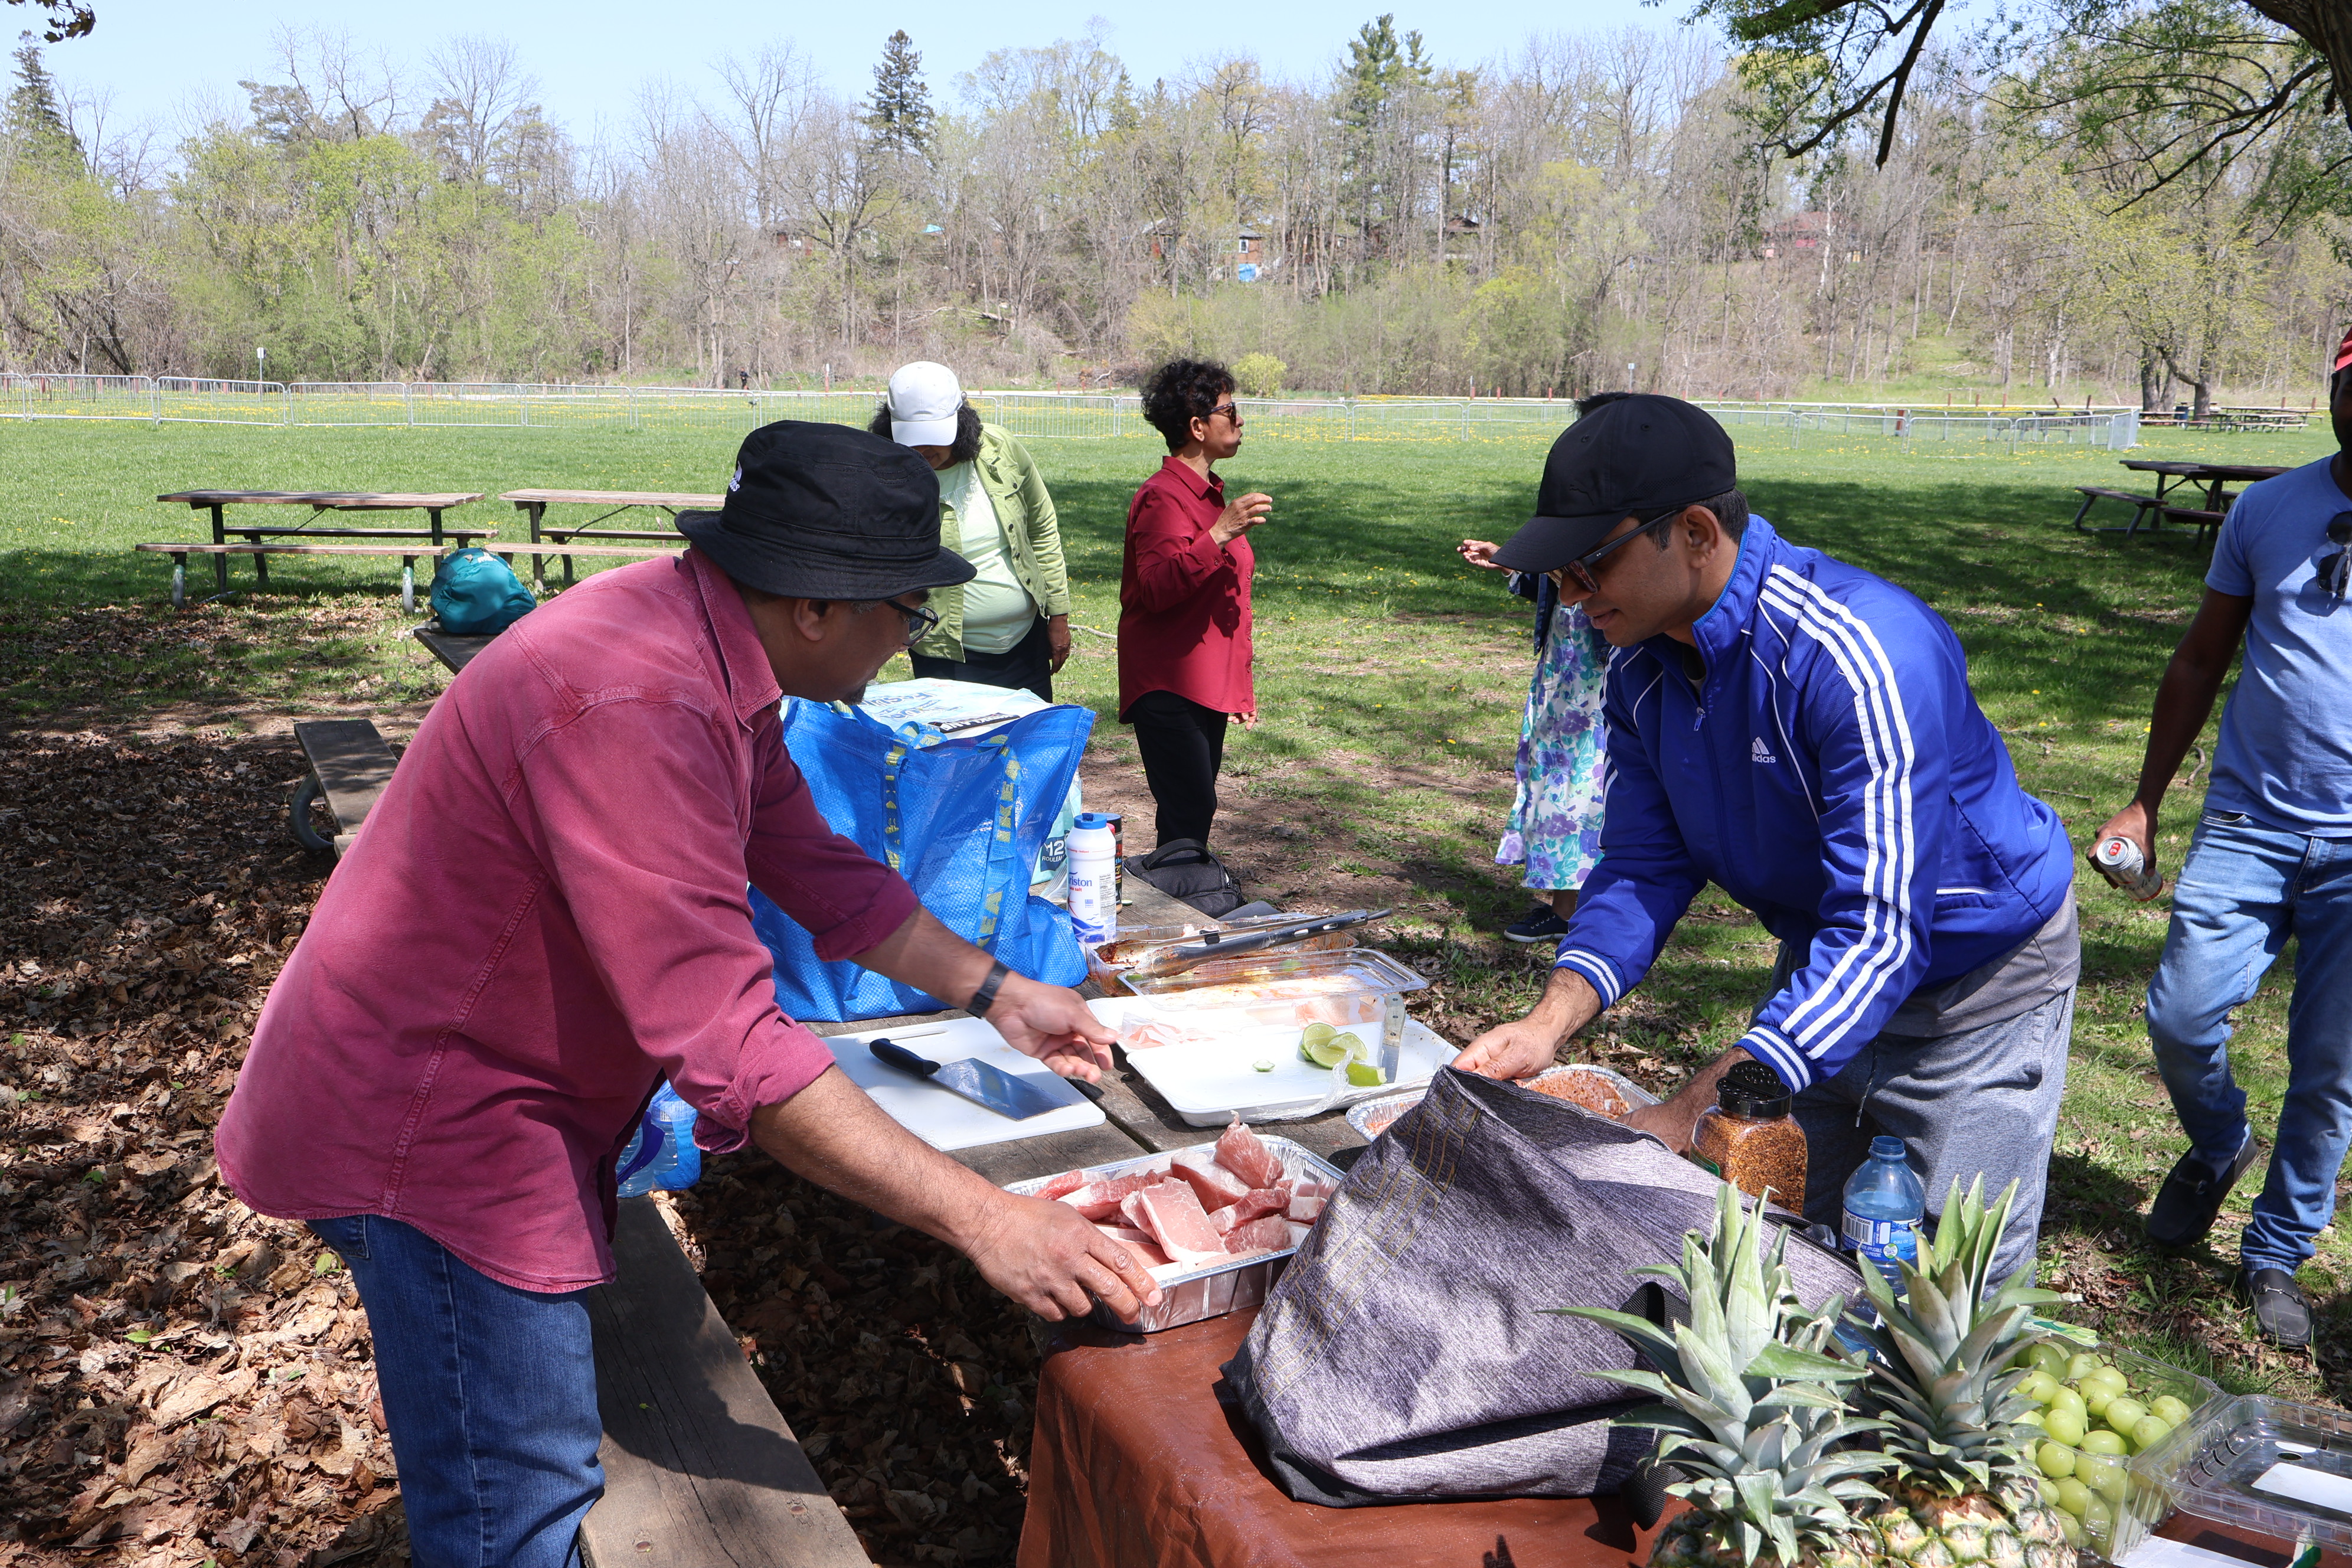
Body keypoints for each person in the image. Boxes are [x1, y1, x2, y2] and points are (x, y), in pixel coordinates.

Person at [213, 421, 1159, 1568]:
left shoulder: (709, 645)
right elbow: (728, 1045)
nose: (909, 640)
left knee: (522, 1470)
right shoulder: (637, 700)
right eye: (905, 610)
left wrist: (998, 987)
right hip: (427, 1125)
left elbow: (813, 864)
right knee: (514, 1495)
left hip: (496, 1088)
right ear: (816, 606)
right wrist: (987, 1215)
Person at [1453, 394, 2079, 1285]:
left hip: (1975, 993)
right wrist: (1548, 1024)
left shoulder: (1861, 656)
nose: (1569, 596)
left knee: (1940, 1292)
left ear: (1698, 531)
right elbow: (1641, 865)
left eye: (1589, 567)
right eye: (1558, 573)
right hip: (1825, 971)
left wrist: (1687, 1109)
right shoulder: (1639, 670)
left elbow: (1883, 932)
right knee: (1775, 1246)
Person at [2091, 325, 2352, 1348]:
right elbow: (2199, 661)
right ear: (2331, 392)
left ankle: (2277, 1249)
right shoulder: (2265, 509)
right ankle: (2217, 1142)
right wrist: (2143, 801)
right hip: (2247, 822)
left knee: (2329, 1066)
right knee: (2178, 1016)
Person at [1118, 358, 1272, 850]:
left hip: (1204, 683)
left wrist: (1239, 688)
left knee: (1194, 807)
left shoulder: (1209, 498)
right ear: (1197, 426)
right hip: (1168, 684)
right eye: (1230, 409)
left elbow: (1229, 603)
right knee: (1190, 807)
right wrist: (1220, 534)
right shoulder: (1162, 498)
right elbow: (1158, 588)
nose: (1240, 419)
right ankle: (1176, 904)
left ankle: (1182, 898)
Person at [871, 361, 1073, 701]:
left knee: (1024, 748)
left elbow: (1042, 530)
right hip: (945, 655)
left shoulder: (1001, 449)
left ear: (960, 422)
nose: (923, 450)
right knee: (959, 751)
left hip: (1026, 644)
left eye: (934, 437)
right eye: (912, 438)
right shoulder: (881, 474)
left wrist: (1058, 616)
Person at [1457, 525, 1613, 944]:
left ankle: (1571, 912)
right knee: (1557, 781)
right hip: (1561, 673)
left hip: (1593, 681)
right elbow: (1557, 590)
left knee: (1580, 785)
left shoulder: (1617, 532)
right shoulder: (1574, 531)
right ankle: (1578, 905)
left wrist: (1549, 563)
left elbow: (1596, 587)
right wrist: (1512, 563)